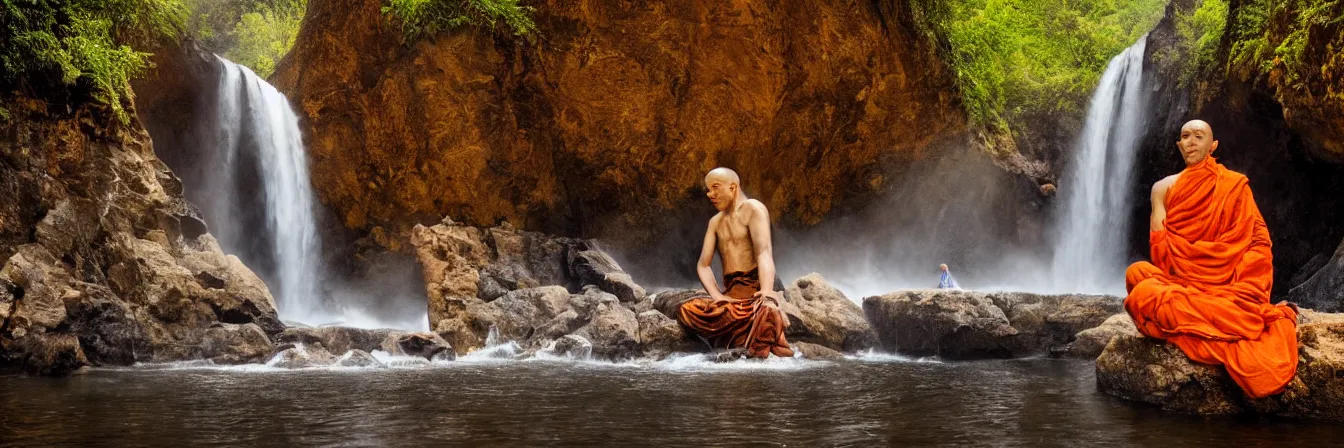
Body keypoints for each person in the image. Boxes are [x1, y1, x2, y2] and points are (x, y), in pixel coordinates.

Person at [1124, 120, 1298, 398]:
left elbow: (1258, 241)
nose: (1191, 141)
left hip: (1228, 286)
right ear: (1179, 145)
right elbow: (1161, 248)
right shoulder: (1163, 188)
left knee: (1146, 295)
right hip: (1184, 281)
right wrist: (1180, 272)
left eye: (1198, 136)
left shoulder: (1234, 186)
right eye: (1185, 136)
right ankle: (1216, 317)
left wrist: (1244, 282)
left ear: (1212, 145)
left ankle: (1229, 315)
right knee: (1137, 274)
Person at [675, 167, 794, 359]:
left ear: (733, 187)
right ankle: (741, 333)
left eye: (715, 188)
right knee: (687, 310)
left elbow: (764, 252)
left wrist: (766, 291)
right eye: (708, 190)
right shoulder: (715, 222)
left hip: (753, 293)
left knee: (766, 313)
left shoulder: (753, 208)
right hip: (730, 297)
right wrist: (717, 296)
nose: (710, 194)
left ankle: (749, 332)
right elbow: (703, 265)